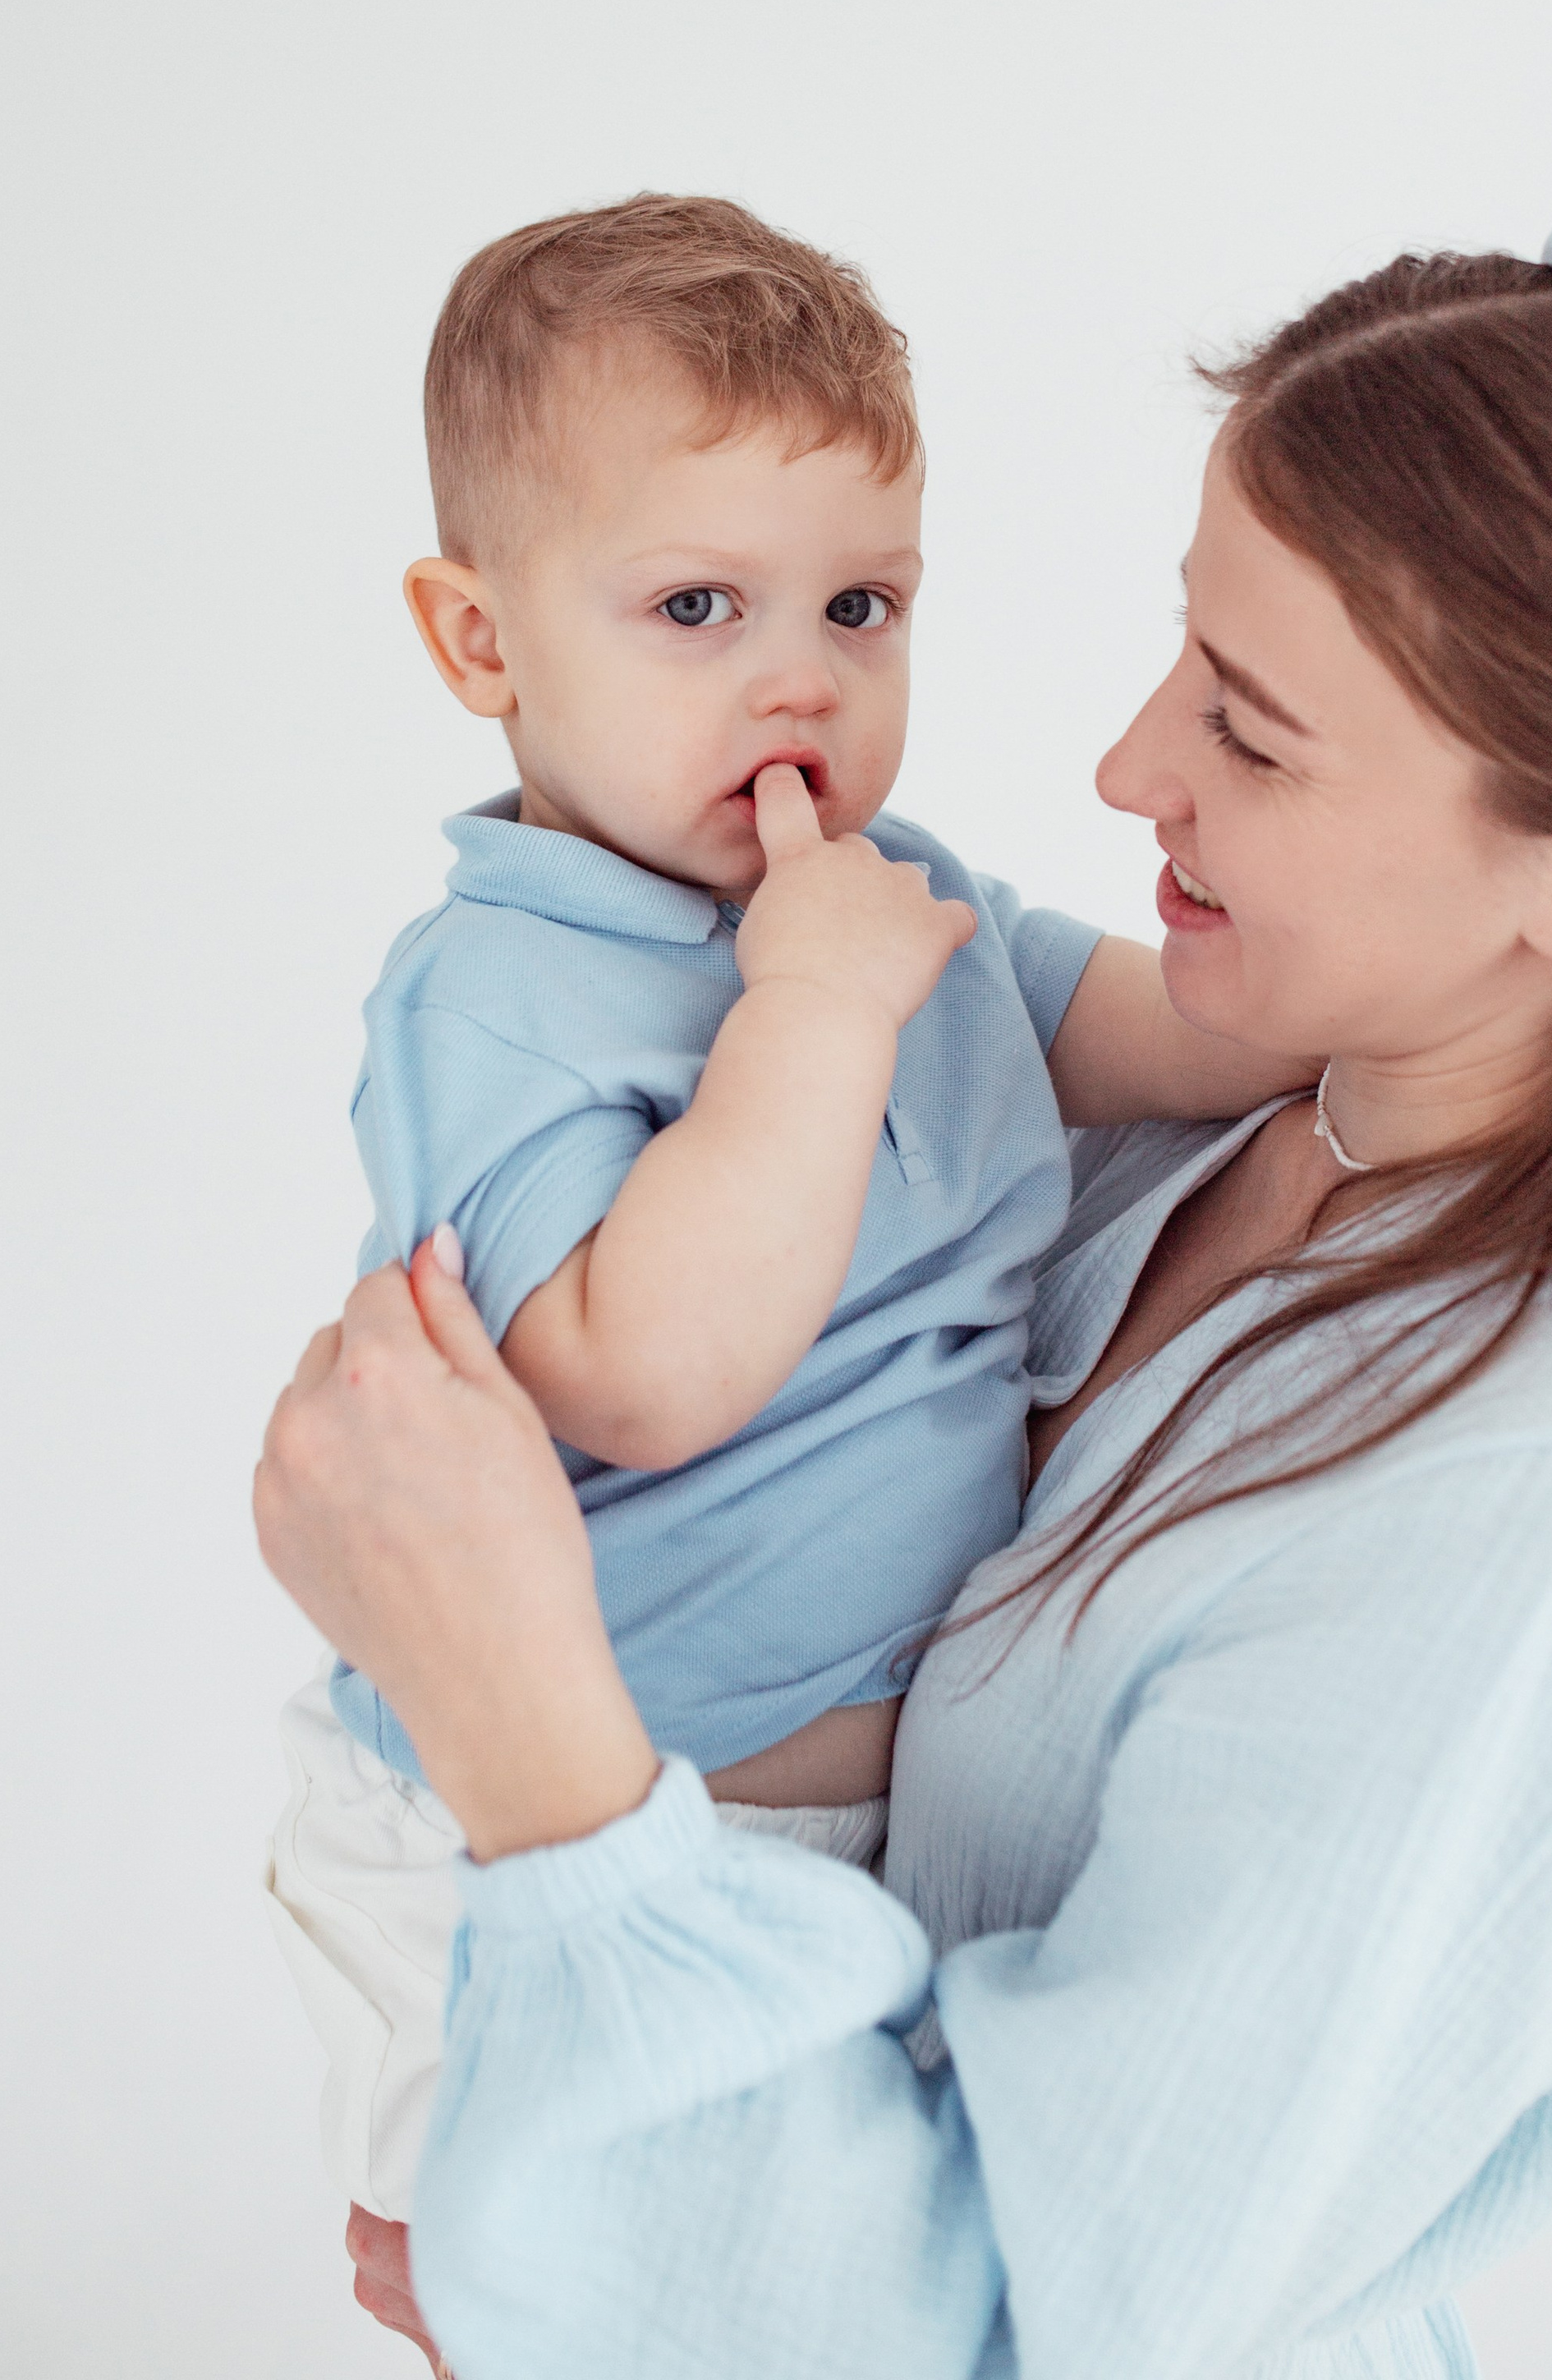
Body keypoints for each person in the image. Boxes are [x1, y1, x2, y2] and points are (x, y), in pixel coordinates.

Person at [257, 208, 1552, 2379]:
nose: (1124, 767)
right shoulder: (1235, 1116)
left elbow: (998, 2324)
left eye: (1253, 733)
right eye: (1184, 647)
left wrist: (515, 1722)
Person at [262, 193, 1311, 2227]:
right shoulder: (496, 993)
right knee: (549, 2279)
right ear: (480, 641)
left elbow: (1180, 1036)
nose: (799, 685)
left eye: (859, 607)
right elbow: (645, 1374)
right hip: (521, 1833)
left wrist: (1400, 984)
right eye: (695, 608)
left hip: (865, 1853)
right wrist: (814, 1015)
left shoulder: (895, 898)